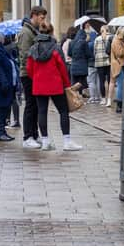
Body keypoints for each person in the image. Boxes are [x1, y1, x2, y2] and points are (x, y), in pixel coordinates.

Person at [27, 23, 83, 151]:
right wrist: (67, 84)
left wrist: (36, 78)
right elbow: (62, 68)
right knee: (63, 111)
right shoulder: (55, 48)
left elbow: (29, 69)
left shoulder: (33, 48)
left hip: (39, 85)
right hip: (55, 84)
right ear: (51, 32)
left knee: (42, 112)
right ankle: (67, 141)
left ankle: (45, 141)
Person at [17, 6, 47, 148]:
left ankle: (34, 134)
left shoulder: (33, 31)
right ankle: (27, 136)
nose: (43, 20)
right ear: (34, 16)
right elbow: (25, 55)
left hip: (34, 73)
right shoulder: (26, 32)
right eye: (41, 17)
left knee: (35, 105)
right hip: (28, 74)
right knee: (30, 104)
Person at [110, 27, 124, 113]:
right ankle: (119, 106)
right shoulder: (116, 41)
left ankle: (122, 104)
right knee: (120, 85)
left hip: (122, 64)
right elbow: (120, 53)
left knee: (122, 85)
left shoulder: (120, 40)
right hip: (119, 65)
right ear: (120, 33)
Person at [69, 21, 92, 90]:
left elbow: (69, 53)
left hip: (73, 66)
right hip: (83, 66)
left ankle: (75, 98)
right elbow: (88, 54)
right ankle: (81, 96)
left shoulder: (71, 42)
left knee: (74, 84)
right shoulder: (84, 42)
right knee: (82, 83)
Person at [93, 25, 111, 105]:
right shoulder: (111, 37)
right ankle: (110, 98)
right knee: (111, 81)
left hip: (99, 62)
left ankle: (103, 99)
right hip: (109, 61)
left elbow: (94, 51)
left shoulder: (97, 39)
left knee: (101, 80)